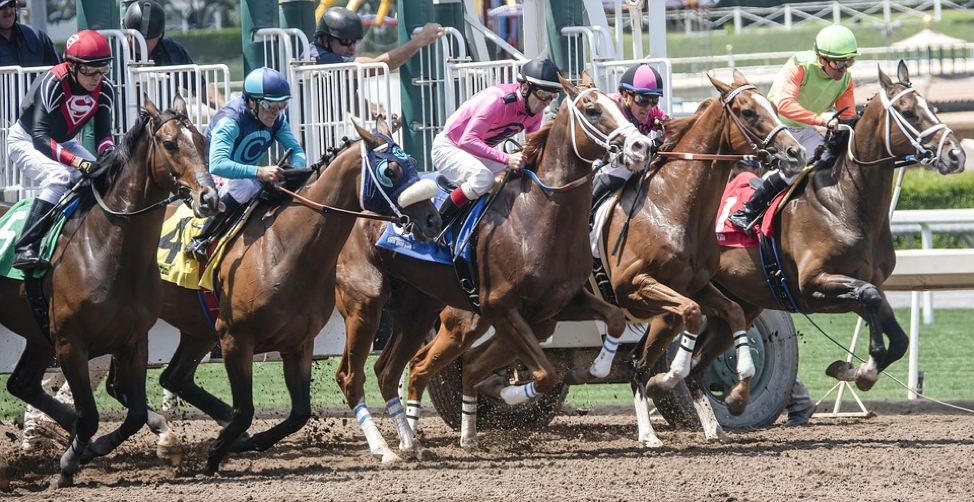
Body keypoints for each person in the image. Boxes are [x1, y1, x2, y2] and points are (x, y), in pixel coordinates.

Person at [727, 24, 859, 233]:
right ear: (821, 59)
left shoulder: (845, 79)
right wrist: (822, 120)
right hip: (774, 127)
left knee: (833, 160)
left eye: (849, 61)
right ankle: (748, 211)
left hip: (804, 128)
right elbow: (784, 105)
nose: (843, 69)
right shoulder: (799, 66)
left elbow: (848, 116)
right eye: (837, 63)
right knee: (800, 161)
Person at [7, 29, 115, 270]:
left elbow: (104, 136)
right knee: (61, 177)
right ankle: (26, 246)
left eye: (103, 68)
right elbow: (40, 138)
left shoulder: (105, 88)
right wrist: (78, 163)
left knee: (109, 177)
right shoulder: (53, 82)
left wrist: (110, 158)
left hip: (64, 142)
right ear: (72, 65)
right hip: (25, 140)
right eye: (89, 69)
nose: (97, 76)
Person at [183, 67, 307, 261]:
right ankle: (202, 237)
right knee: (244, 186)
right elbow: (217, 164)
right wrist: (260, 171)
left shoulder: (278, 120)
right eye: (269, 105)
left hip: (245, 175)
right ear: (252, 101)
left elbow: (297, 151)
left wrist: (295, 170)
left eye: (281, 105)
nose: (275, 112)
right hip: (211, 178)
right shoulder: (231, 121)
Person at [432, 57, 562, 224]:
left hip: (477, 152)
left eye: (552, 97)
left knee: (523, 174)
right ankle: (438, 224)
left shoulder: (536, 112)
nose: (546, 103)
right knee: (482, 178)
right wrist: (507, 159)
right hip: (450, 146)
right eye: (543, 94)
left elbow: (531, 148)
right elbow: (467, 140)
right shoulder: (497, 100)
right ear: (525, 88)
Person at [122, 0, 225, 109]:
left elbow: (202, 88)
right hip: (125, 123)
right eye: (137, 37)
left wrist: (229, 110)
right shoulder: (117, 52)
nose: (144, 43)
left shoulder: (172, 50)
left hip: (167, 122)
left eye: (150, 39)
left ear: (160, 35)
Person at [592, 63, 668, 205]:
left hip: (624, 162)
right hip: (599, 162)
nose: (648, 108)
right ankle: (588, 211)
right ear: (626, 95)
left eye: (654, 101)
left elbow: (672, 127)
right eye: (643, 100)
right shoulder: (611, 108)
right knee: (625, 168)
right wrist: (653, 144)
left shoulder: (652, 111)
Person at [310, 6, 443, 68]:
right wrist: (419, 41)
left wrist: (382, 114)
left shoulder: (338, 61)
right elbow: (378, 66)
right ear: (326, 40)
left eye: (354, 42)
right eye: (345, 41)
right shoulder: (318, 57)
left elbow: (351, 99)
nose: (351, 48)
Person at [0, 0, 60, 67]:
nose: (8, 11)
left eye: (11, 4)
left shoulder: (37, 36)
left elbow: (60, 72)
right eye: (2, 7)